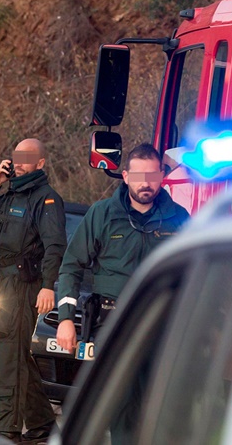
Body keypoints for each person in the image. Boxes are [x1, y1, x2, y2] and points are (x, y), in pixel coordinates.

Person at [0, 139, 66, 444]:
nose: (20, 163)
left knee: (10, 358)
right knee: (16, 357)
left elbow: (54, 246)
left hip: (26, 286)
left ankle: (7, 430)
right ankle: (43, 426)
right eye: (16, 157)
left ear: (40, 164)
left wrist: (48, 286)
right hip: (5, 285)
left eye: (27, 158)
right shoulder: (9, 193)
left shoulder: (45, 199)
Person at [55, 143, 190, 353]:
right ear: (126, 177)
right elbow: (72, 266)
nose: (145, 183)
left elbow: (193, 270)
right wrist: (66, 319)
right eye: (138, 176)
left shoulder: (179, 218)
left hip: (160, 322)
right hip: (111, 322)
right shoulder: (102, 214)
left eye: (152, 175)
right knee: (111, 385)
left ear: (162, 175)